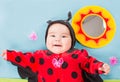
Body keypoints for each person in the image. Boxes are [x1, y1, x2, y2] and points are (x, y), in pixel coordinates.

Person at [1, 12, 110, 82]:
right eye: (52, 35)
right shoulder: (40, 56)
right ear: (46, 39)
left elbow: (89, 63)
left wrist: (100, 67)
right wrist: (10, 55)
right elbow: (25, 59)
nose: (57, 39)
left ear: (72, 41)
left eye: (63, 36)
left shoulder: (78, 55)